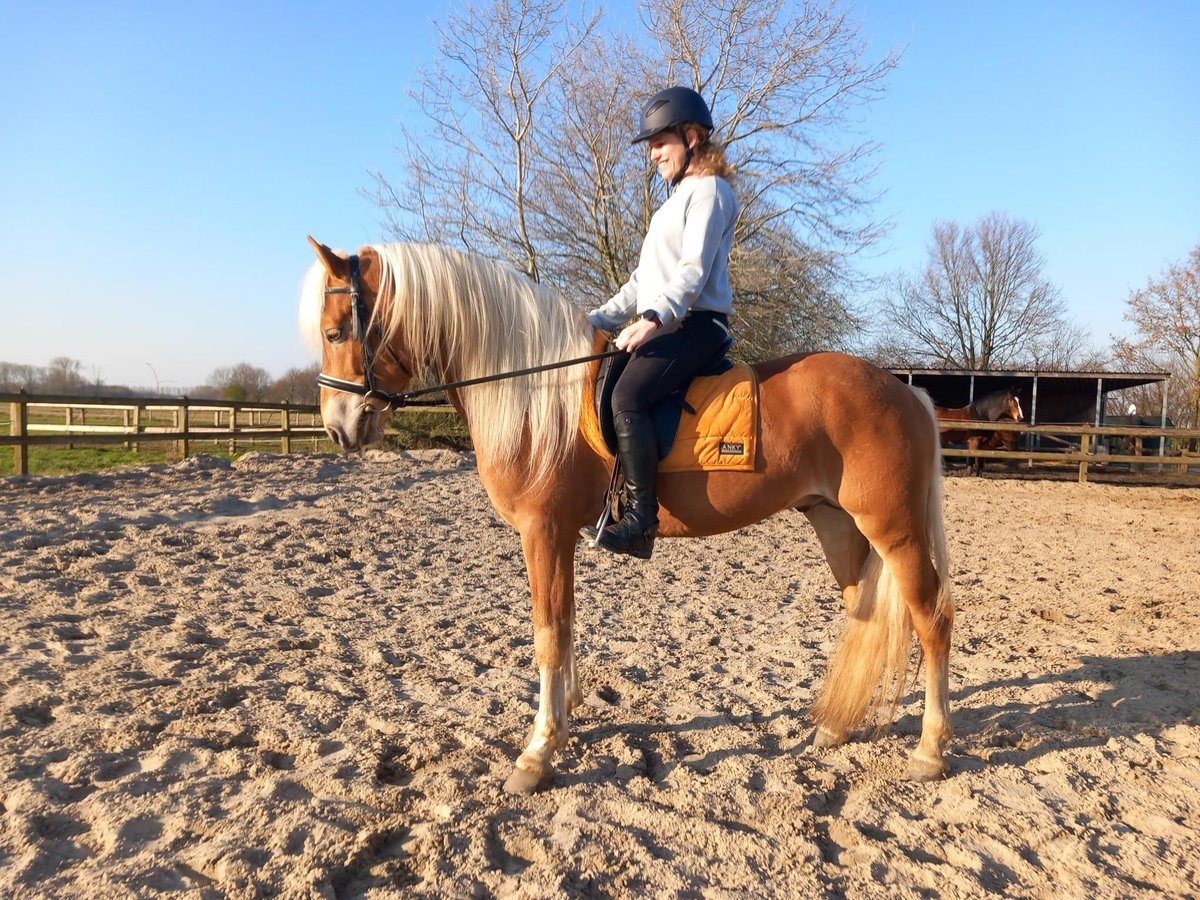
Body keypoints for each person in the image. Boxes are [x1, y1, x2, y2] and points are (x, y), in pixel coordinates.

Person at [584, 86, 739, 560]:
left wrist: (653, 318)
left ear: (692, 137)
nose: (653, 154)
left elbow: (692, 272)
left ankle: (640, 521)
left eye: (660, 142)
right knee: (609, 384)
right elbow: (640, 281)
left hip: (694, 324)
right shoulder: (673, 203)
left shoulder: (710, 191)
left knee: (629, 395)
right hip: (670, 321)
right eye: (650, 145)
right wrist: (591, 319)